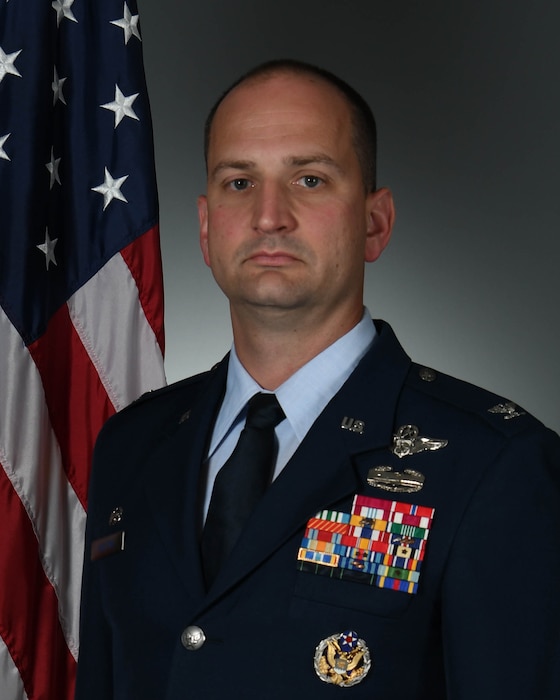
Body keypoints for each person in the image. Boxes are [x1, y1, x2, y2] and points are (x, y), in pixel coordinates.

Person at [75, 59, 560, 699]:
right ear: (204, 226)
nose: (270, 215)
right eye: (240, 181)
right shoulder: (132, 446)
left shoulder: (496, 465)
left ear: (374, 222)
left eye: (310, 178)